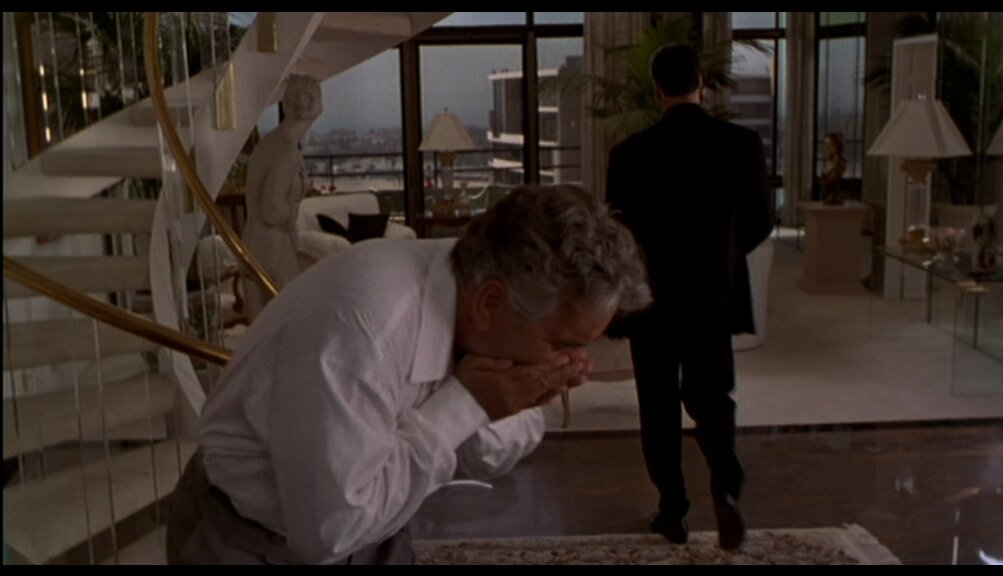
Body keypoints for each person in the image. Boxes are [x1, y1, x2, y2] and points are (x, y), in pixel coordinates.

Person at [166, 184, 652, 564]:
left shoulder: (481, 302)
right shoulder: (362, 331)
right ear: (491, 303)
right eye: (562, 345)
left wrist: (503, 401)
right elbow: (328, 532)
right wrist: (465, 405)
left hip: (374, 527)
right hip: (249, 535)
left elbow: (487, 457)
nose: (572, 363)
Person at [605, 43, 773, 550]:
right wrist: (722, 257)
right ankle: (726, 488)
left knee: (658, 405)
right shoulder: (740, 144)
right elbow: (760, 221)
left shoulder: (629, 155)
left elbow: (618, 234)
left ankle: (673, 510)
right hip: (710, 295)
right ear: (702, 82)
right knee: (712, 397)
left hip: (651, 298)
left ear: (657, 88)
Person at [241, 73, 323, 320]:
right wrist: (294, 210)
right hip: (271, 247)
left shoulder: (272, 141)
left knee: (262, 327)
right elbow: (271, 210)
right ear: (315, 108)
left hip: (254, 244)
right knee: (288, 320)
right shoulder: (286, 150)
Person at [819, 132, 847, 206]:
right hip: (825, 196)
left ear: (836, 146)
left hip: (834, 196)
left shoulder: (841, 164)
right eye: (826, 145)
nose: (827, 148)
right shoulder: (829, 163)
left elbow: (833, 178)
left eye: (829, 145)